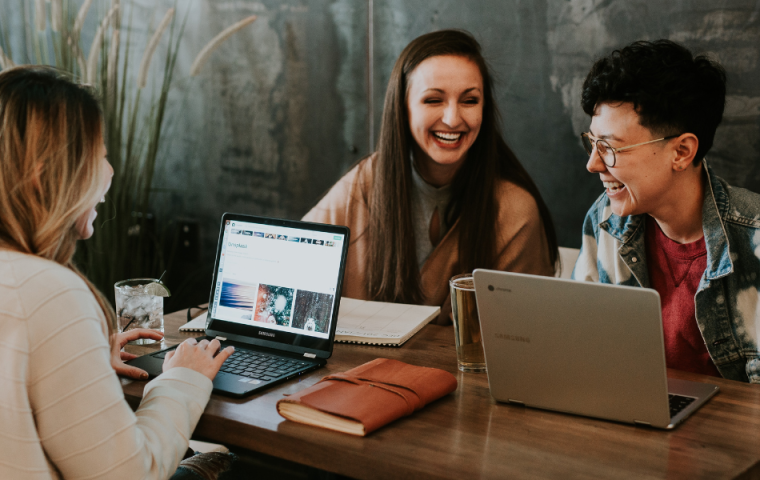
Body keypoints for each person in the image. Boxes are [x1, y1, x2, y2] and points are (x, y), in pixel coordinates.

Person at [0, 65, 235, 479]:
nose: (109, 173)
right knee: (223, 459)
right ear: (44, 176)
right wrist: (180, 379)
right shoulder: (48, 292)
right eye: (100, 156)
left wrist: (79, 362)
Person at [304, 29, 558, 324]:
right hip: (356, 369)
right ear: (403, 107)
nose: (452, 118)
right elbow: (291, 264)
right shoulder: (363, 184)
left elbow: (526, 336)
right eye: (433, 100)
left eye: (470, 100)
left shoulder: (515, 211)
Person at [572, 40, 760, 383]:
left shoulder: (755, 240)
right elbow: (581, 351)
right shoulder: (604, 222)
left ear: (682, 151)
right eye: (592, 143)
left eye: (610, 148)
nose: (593, 164)